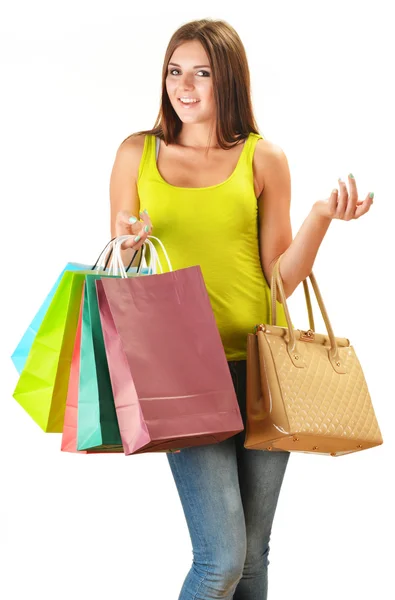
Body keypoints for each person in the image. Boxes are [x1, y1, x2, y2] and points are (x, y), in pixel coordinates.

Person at [108, 18, 374, 600]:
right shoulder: (137, 155)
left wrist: (320, 217)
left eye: (202, 72)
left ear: (228, 79)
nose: (185, 86)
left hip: (263, 367)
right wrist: (130, 249)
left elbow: (280, 279)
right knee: (220, 560)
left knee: (254, 557)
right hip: (182, 376)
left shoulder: (262, 157)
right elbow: (121, 280)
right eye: (175, 71)